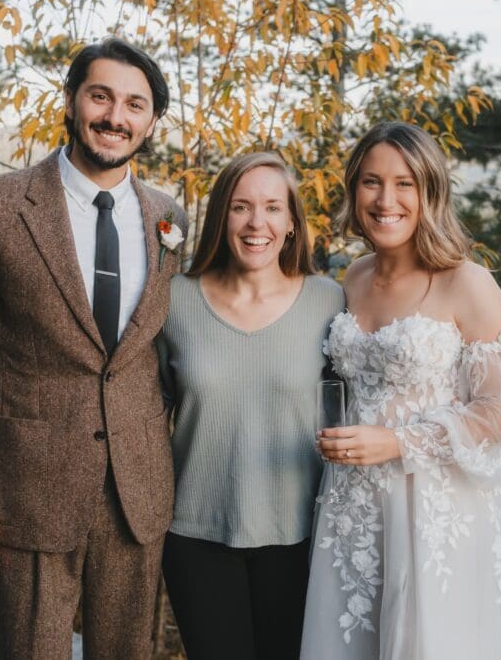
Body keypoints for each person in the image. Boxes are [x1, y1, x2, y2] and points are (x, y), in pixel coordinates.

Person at [0, 37, 187, 659]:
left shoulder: (168, 218)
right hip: (27, 491)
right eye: (100, 96)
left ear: (152, 121)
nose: (115, 117)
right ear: (71, 101)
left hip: (138, 494)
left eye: (135, 104)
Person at [301, 122, 501, 658]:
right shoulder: (351, 277)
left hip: (438, 516)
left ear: (430, 192)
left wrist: (399, 442)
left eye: (405, 184)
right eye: (371, 182)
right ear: (354, 190)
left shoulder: (467, 281)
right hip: (352, 513)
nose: (386, 199)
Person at [158, 152, 344, 660]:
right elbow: (145, 415)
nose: (256, 222)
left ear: (290, 223)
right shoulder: (175, 300)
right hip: (194, 532)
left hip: (301, 534)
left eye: (271, 208)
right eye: (241, 207)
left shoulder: (329, 302)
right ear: (222, 216)